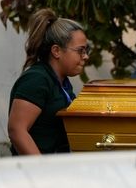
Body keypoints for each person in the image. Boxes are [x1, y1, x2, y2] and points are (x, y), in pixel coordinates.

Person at [8, 9, 89, 155]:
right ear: (56, 51)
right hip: (34, 173)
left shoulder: (62, 82)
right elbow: (16, 130)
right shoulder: (36, 79)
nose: (86, 56)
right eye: (80, 51)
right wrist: (42, 169)